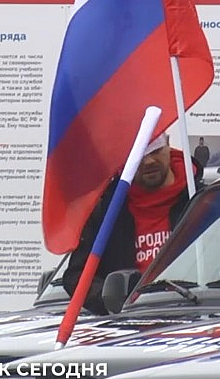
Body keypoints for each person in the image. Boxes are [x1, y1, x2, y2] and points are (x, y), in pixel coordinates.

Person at [62, 133, 199, 314]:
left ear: (168, 144)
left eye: (156, 150)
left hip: (193, 315)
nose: (149, 161)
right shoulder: (108, 211)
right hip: (130, 322)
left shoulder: (201, 201)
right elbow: (77, 275)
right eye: (139, 155)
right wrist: (114, 302)